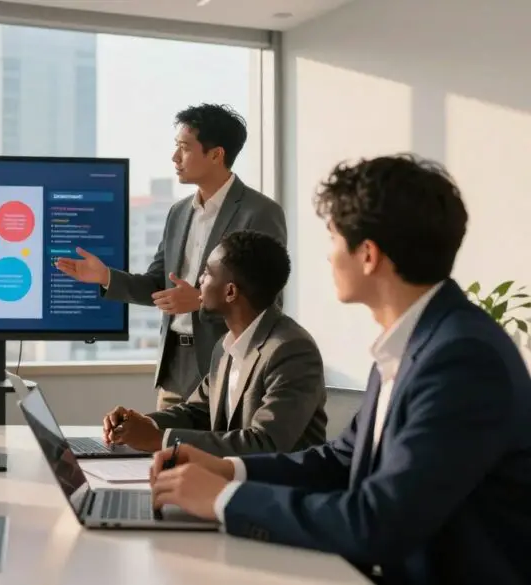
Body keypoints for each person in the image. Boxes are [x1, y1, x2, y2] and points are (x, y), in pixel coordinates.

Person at [149, 155, 531, 585]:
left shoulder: (462, 360)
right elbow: (339, 461)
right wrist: (230, 470)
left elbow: (377, 521)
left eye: (332, 238)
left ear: (368, 255)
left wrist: (224, 499)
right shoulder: (413, 344)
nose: (328, 258)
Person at [56, 104, 287, 411]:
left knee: (213, 457)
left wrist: (201, 301)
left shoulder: (259, 213)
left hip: (226, 365)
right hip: (173, 369)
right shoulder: (178, 213)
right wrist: (105, 277)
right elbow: (157, 285)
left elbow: (269, 303)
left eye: (184, 148)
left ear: (216, 154)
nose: (174, 158)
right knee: (164, 455)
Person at [101, 230, 327, 456]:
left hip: (281, 487)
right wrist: (141, 424)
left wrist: (161, 439)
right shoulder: (225, 346)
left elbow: (265, 443)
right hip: (230, 480)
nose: (199, 280)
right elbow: (198, 412)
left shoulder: (291, 350)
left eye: (207, 273)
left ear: (230, 292)